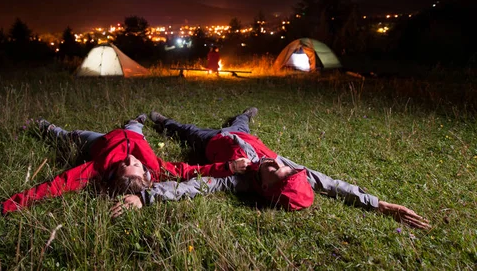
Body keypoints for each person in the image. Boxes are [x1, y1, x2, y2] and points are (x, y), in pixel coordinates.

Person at [111, 109, 430, 230]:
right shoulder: (286, 168)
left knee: (189, 131)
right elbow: (332, 184)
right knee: (242, 121)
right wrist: (378, 204)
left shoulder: (237, 180)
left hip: (214, 142)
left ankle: (163, 121)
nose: (278, 163)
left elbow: (197, 185)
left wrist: (146, 198)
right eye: (283, 167)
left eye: (276, 171)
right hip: (244, 134)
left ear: (264, 188)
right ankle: (244, 114)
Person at [0, 115, 249, 222]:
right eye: (134, 166)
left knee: (72, 136)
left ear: (113, 174)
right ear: (146, 175)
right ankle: (135, 121)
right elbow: (190, 171)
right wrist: (228, 166)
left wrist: (4, 208)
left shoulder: (96, 167)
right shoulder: (157, 169)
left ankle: (47, 127)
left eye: (125, 166)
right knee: (134, 127)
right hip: (130, 133)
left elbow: (51, 188)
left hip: (99, 142)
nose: (130, 161)